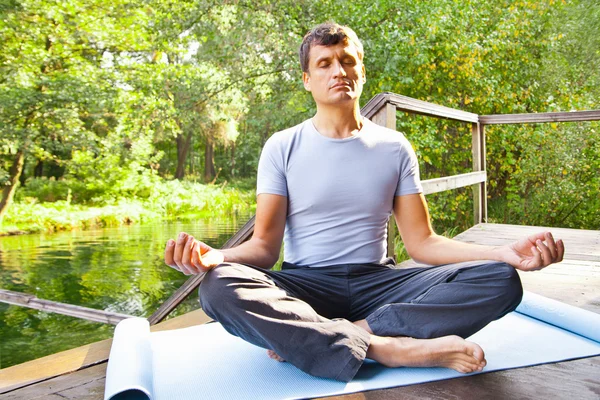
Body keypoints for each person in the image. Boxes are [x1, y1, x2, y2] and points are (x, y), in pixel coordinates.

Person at [164, 22, 564, 382]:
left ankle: (345, 335)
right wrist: (216, 257)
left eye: (347, 61)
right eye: (324, 64)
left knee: (499, 280)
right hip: (307, 283)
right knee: (219, 287)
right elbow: (265, 251)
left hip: (378, 283)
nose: (338, 71)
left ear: (361, 71)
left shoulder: (394, 148)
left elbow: (423, 243)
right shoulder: (281, 147)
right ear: (307, 79)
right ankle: (387, 348)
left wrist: (503, 254)